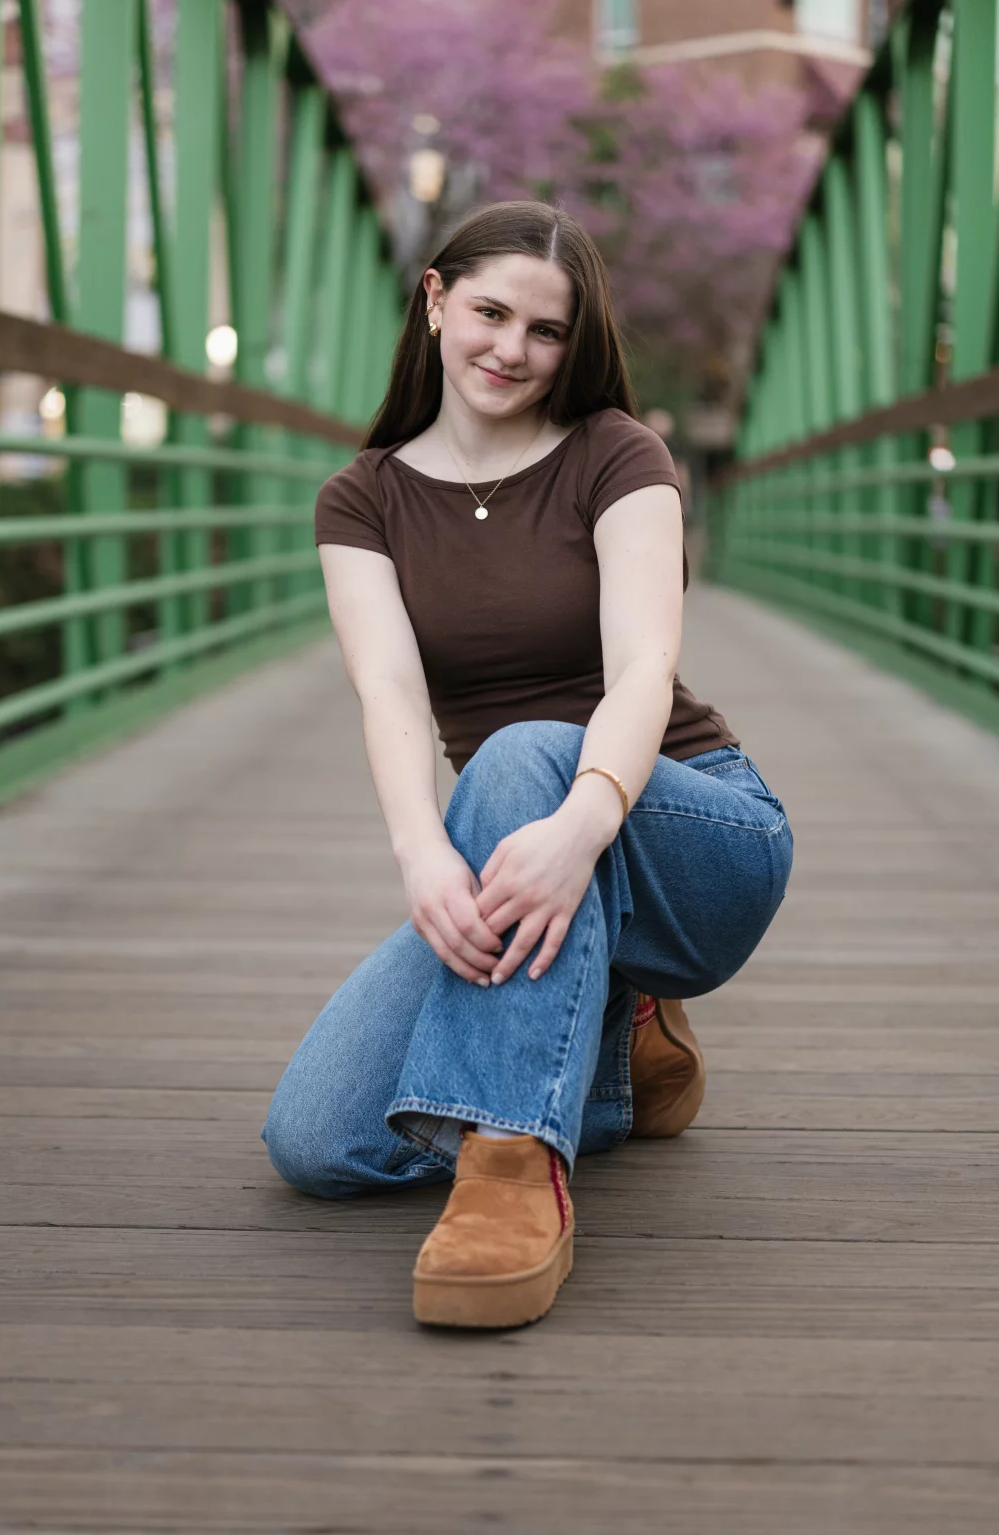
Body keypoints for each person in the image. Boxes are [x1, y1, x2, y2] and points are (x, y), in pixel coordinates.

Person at [262, 201, 792, 1329]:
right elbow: (392, 693)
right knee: (315, 1143)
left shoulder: (617, 454)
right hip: (514, 843)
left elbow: (645, 666)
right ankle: (605, 1036)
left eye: (545, 330)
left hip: (685, 829)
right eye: (490, 312)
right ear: (436, 298)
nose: (511, 348)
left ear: (573, 344)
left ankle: (514, 1176)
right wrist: (420, 855)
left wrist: (588, 819)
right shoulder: (363, 498)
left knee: (518, 754)